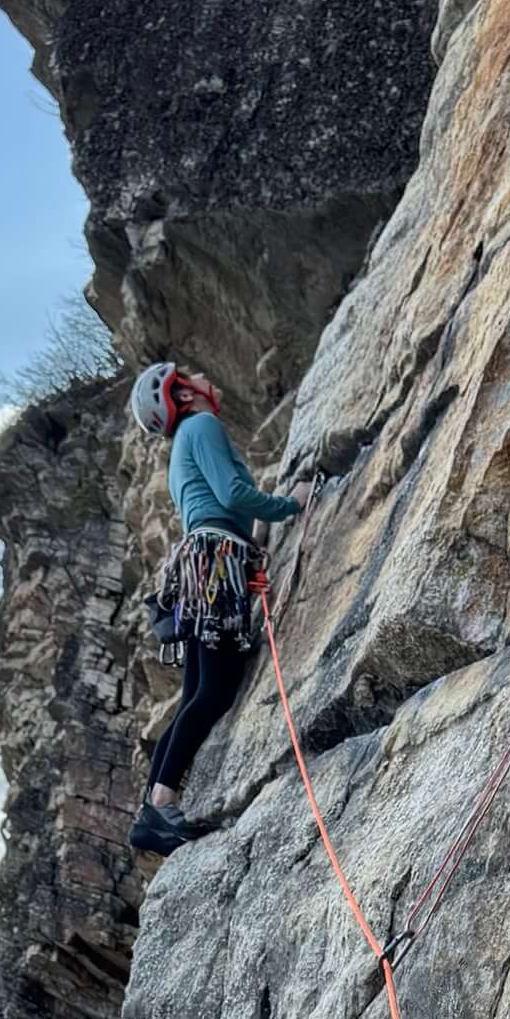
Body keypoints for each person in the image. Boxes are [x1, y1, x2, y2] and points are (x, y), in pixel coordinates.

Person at [127, 361, 310, 856]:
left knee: (195, 694)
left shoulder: (186, 440)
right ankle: (161, 803)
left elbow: (217, 503)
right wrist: (290, 504)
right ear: (181, 395)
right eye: (189, 374)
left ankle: (153, 808)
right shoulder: (201, 425)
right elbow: (232, 494)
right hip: (215, 562)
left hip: (204, 565)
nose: (204, 375)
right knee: (215, 690)